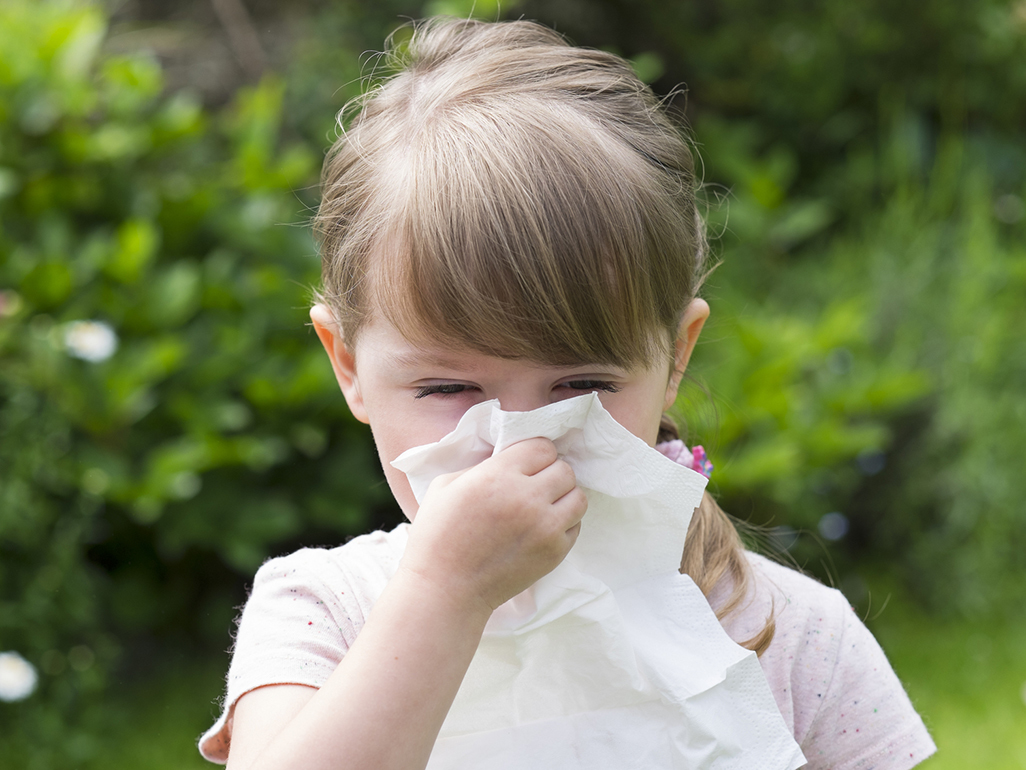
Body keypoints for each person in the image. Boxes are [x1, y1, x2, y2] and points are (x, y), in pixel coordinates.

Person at [199, 17, 936, 770]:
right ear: (349, 365)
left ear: (674, 355)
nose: (521, 439)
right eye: (449, 386)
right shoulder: (325, 614)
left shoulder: (789, 636)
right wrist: (444, 592)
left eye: (583, 383)